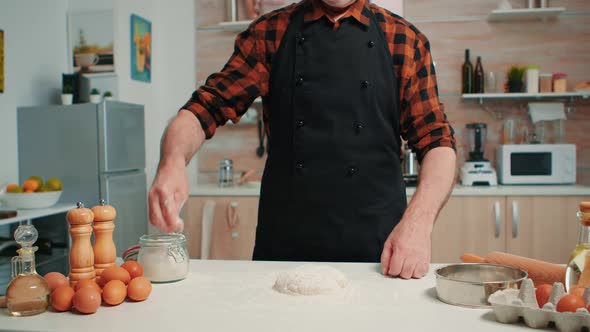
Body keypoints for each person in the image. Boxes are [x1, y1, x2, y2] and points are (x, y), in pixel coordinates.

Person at [149, 0, 457, 279]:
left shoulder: (403, 39)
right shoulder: (270, 32)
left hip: (379, 252)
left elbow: (437, 142)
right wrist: (172, 161)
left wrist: (418, 224)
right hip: (285, 251)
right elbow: (205, 108)